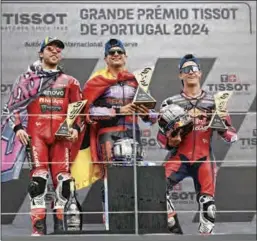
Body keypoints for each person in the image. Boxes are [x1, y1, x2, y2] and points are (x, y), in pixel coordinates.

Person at [4, 37, 82, 235]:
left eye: (58, 49)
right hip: (36, 135)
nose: (55, 52)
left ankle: (60, 227)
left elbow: (79, 111)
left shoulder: (70, 81)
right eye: (50, 49)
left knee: (64, 183)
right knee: (38, 181)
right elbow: (12, 106)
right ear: (41, 53)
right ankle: (38, 229)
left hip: (61, 136)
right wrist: (18, 128)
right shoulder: (27, 80)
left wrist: (76, 129)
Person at [157, 54, 238, 235]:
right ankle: (174, 229)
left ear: (200, 73)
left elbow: (231, 135)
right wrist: (170, 141)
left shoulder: (215, 102)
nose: (191, 72)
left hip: (204, 160)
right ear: (180, 75)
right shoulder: (170, 103)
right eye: (186, 69)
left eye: (194, 68)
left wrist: (223, 127)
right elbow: (161, 138)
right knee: (156, 188)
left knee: (208, 208)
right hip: (179, 157)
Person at [81, 38, 157, 225]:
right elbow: (87, 112)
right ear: (106, 59)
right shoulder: (97, 81)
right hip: (108, 133)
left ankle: (133, 222)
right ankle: (111, 223)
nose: (116, 55)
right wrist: (117, 111)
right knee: (111, 177)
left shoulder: (136, 81)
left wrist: (147, 113)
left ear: (125, 57)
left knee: (134, 178)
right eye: (111, 53)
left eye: (119, 52)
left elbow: (153, 116)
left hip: (133, 132)